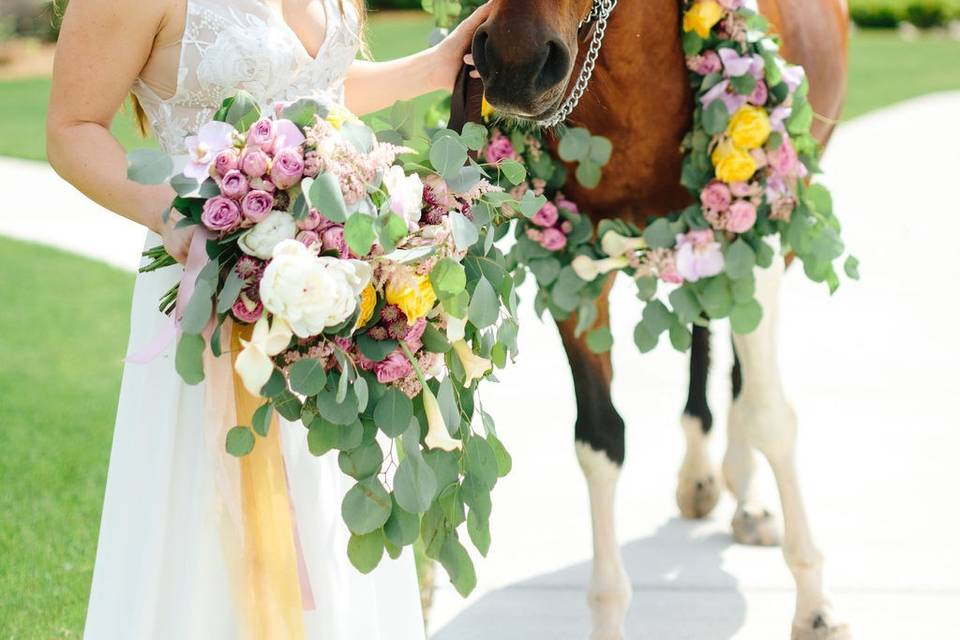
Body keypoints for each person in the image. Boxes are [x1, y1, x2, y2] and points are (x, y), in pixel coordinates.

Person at [46, 1, 490, 638]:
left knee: (327, 500)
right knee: (211, 518)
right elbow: (71, 126)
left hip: (331, 293)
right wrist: (170, 213)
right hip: (213, 280)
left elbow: (315, 90)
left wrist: (434, 65)